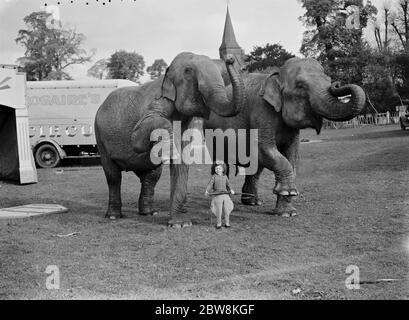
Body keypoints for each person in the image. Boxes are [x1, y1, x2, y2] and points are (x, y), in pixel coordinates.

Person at [205, 161, 235, 229]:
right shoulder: (214, 177)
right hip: (217, 195)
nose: (218, 170)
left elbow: (228, 184)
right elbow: (210, 184)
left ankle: (227, 223)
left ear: (223, 169)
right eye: (216, 169)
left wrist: (231, 190)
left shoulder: (225, 177)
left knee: (227, 209)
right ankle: (219, 223)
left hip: (225, 195)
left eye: (219, 168)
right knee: (219, 210)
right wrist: (207, 190)